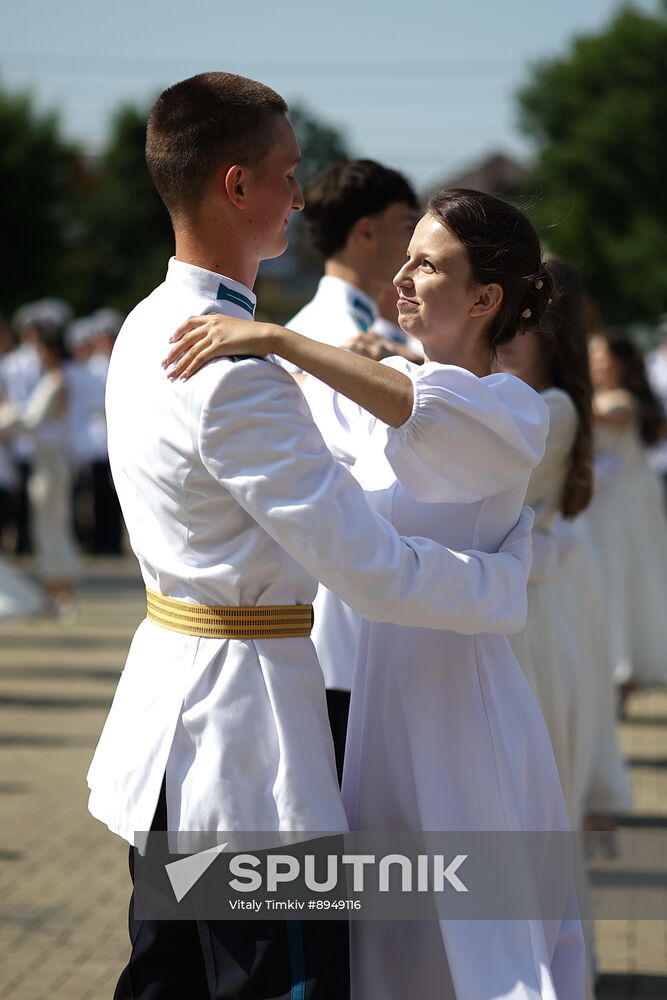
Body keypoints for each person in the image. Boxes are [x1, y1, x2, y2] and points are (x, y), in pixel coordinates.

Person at [87, 74, 537, 1000]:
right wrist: (500, 586)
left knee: (166, 981)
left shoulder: (146, 324)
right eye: (289, 174)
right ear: (237, 185)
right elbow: (364, 570)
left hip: (169, 721)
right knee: (270, 985)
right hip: (246, 751)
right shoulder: (234, 363)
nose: (303, 196)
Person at [165, 188, 585, 998]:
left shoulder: (511, 409)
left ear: (485, 299)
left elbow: (422, 412)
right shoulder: (396, 385)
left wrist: (283, 337)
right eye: (405, 256)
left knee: (480, 936)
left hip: (459, 709)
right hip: (376, 698)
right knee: (387, 933)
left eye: (427, 263)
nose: (401, 276)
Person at [284, 159, 420, 777]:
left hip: (366, 610)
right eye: (405, 227)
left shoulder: (373, 331)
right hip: (338, 619)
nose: (413, 247)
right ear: (365, 233)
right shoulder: (326, 336)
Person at [587, 329, 667, 693]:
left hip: (626, 505)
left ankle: (624, 661)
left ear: (618, 362)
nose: (594, 362)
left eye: (600, 356)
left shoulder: (621, 400)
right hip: (605, 506)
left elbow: (607, 412)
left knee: (623, 575)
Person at [0, 318, 79, 612]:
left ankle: (58, 584)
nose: (36, 354)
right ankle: (59, 585)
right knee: (53, 524)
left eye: (40, 348)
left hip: (50, 462)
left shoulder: (56, 379)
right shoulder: (58, 377)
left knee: (48, 525)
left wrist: (5, 418)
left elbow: (31, 420)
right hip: (51, 461)